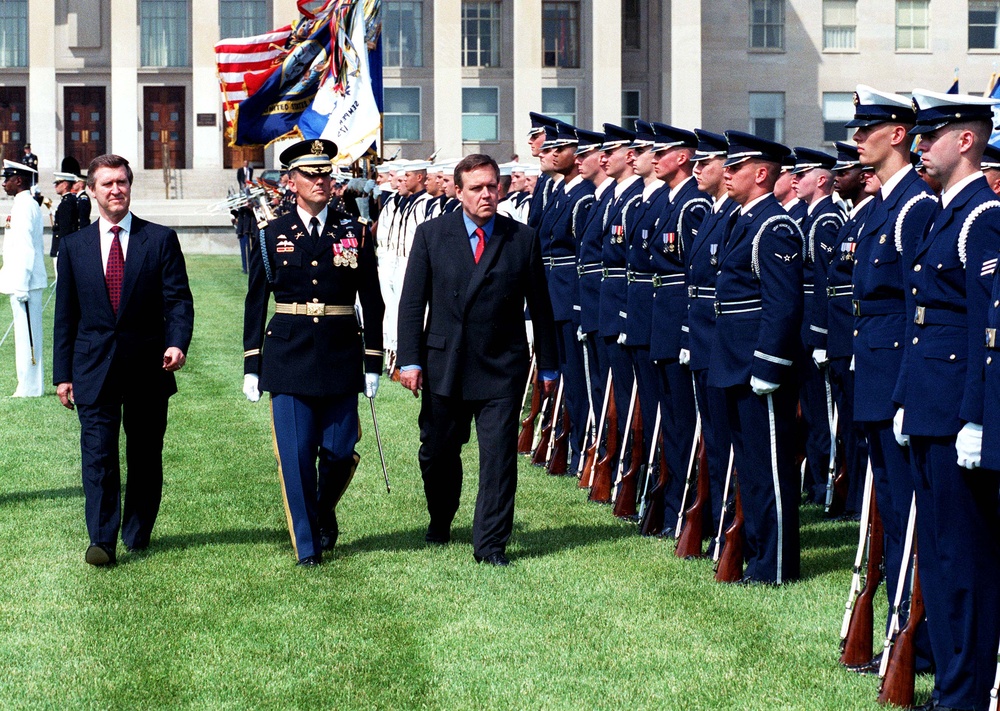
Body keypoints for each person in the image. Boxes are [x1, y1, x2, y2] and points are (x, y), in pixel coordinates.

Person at [396, 154, 558, 566]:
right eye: (476, 188)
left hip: (500, 364)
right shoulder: (432, 235)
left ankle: (490, 545)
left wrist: (551, 366)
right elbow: (413, 302)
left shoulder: (521, 238)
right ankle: (441, 517)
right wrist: (410, 360)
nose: (486, 195)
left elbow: (541, 307)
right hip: (443, 364)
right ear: (458, 191)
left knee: (499, 458)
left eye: (492, 186)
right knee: (437, 452)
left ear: (500, 188)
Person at [897, 88, 1000, 711]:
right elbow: (922, 319)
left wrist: (977, 418)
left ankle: (965, 692)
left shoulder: (981, 218)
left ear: (965, 140)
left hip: (958, 414)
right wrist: (911, 398)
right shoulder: (941, 213)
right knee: (937, 556)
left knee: (966, 564)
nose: (918, 149)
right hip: (930, 407)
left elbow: (986, 330)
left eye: (929, 137)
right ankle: (948, 683)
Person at [242, 139, 384, 567]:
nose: (322, 181)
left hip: (340, 353)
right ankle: (308, 548)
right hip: (288, 354)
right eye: (311, 174)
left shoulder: (354, 230)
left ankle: (323, 511)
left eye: (326, 173)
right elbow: (255, 302)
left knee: (340, 450)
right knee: (297, 456)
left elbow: (372, 300)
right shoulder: (271, 235)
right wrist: (253, 363)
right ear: (291, 181)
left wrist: (372, 360)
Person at [52, 154, 194, 566]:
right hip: (93, 368)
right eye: (107, 183)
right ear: (92, 191)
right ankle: (102, 539)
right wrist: (63, 375)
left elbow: (178, 300)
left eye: (122, 182)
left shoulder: (159, 239)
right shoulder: (75, 247)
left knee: (145, 454)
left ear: (130, 187)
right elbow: (66, 317)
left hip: (149, 366)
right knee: (97, 455)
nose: (116, 190)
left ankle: (136, 531)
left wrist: (177, 343)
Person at [709, 131, 803, 585]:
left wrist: (767, 365)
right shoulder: (741, 220)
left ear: (761, 174)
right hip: (733, 359)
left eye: (735, 167)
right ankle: (757, 553)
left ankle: (777, 563)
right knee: (749, 467)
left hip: (756, 365)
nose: (725, 173)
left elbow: (782, 304)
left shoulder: (774, 225)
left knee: (770, 469)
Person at [0, 160, 46, 397]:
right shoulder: (23, 203)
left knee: (28, 336)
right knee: (24, 335)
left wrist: (21, 284)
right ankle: (27, 385)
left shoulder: (25, 205)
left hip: (25, 282)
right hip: (22, 280)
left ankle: (30, 387)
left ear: (19, 180)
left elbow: (26, 247)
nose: (3, 183)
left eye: (7, 178)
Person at [50, 171, 80, 273]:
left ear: (65, 185)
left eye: (58, 183)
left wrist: (61, 249)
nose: (55, 186)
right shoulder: (69, 200)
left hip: (63, 246)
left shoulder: (66, 203)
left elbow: (65, 229)